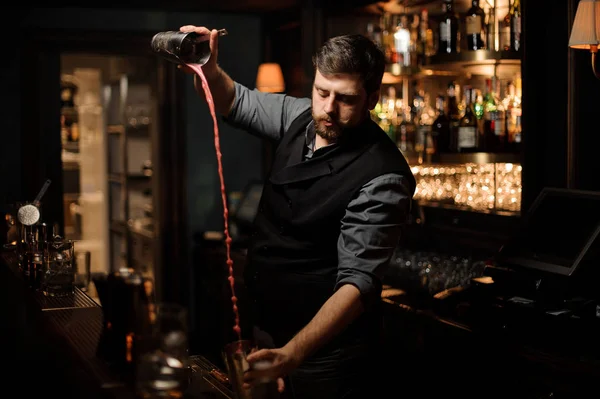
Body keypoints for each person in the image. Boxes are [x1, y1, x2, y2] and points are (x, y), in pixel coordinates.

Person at [180, 25, 416, 398]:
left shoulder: (382, 174)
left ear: (372, 98)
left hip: (328, 356)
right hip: (271, 330)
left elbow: (358, 285)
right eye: (322, 92)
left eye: (346, 99)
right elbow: (233, 100)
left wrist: (293, 354)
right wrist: (207, 68)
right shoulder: (298, 116)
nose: (328, 109)